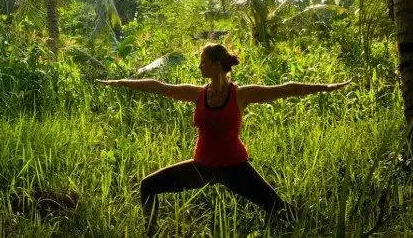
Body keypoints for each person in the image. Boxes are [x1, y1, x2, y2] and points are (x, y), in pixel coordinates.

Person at [97, 43, 351, 235]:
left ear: (217, 64)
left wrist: (326, 87)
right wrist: (119, 82)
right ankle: (150, 233)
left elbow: (287, 89)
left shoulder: (240, 95)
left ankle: (323, 229)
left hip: (235, 168)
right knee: (148, 185)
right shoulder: (198, 94)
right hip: (202, 167)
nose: (199, 66)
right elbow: (158, 86)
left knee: (279, 208)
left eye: (203, 61)